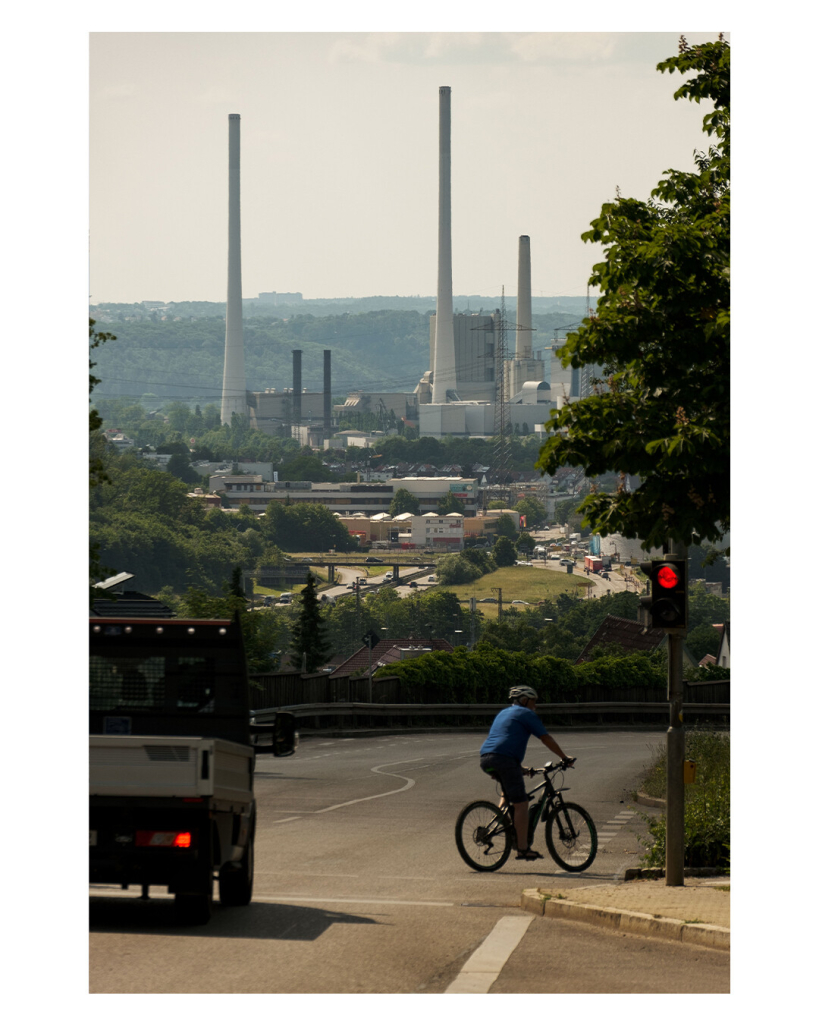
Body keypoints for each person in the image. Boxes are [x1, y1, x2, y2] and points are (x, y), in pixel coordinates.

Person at [479, 685, 574, 861]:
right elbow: (545, 738)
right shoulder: (527, 714)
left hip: (486, 758)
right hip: (504, 759)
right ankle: (522, 849)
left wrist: (522, 770)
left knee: (507, 791)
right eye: (534, 701)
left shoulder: (503, 713)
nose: (535, 706)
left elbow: (503, 741)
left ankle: (499, 818)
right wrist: (564, 757)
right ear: (524, 700)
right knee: (521, 804)